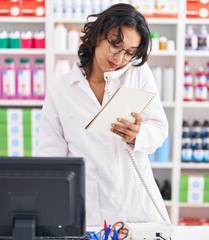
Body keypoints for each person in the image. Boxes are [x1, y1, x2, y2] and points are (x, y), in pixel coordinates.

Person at [38, 3, 171, 226]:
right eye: (115, 44)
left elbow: (159, 129)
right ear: (97, 35)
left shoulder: (138, 74)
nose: (119, 58)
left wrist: (137, 135)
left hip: (134, 203)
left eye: (129, 52)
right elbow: (51, 159)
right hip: (88, 208)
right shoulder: (61, 89)